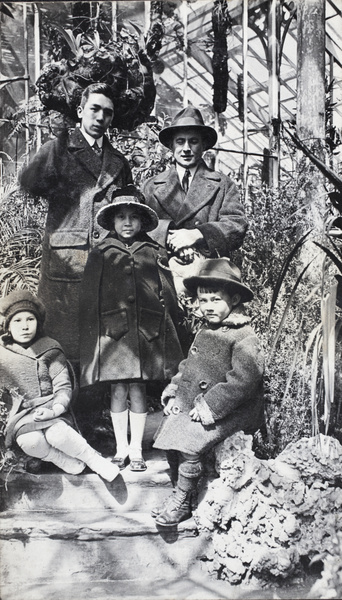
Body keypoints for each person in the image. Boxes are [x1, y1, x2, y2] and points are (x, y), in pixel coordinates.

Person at [18, 83, 133, 364]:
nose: (100, 117)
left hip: (106, 260)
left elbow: (130, 208)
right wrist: (52, 153)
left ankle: (97, 403)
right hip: (66, 261)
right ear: (81, 111)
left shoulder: (118, 161)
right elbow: (29, 185)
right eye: (94, 109)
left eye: (107, 112)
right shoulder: (57, 151)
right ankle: (61, 401)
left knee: (102, 342)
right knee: (62, 341)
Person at [151, 258, 264, 526]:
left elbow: (244, 380)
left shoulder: (243, 336)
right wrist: (175, 391)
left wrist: (210, 407)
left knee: (189, 440)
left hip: (233, 409)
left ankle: (181, 502)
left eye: (215, 300)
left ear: (234, 299)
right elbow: (189, 367)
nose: (208, 307)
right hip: (196, 402)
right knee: (167, 432)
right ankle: (183, 493)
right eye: (203, 301)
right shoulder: (205, 331)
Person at [79, 186, 184, 472]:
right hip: (114, 335)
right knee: (117, 390)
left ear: (142, 221)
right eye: (121, 217)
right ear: (112, 222)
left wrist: (167, 326)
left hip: (146, 331)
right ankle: (120, 448)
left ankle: (137, 450)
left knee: (138, 389)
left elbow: (167, 291)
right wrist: (92, 339)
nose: (127, 223)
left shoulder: (152, 250)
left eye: (134, 217)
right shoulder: (101, 252)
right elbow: (90, 297)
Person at [0, 290, 120, 482]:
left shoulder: (50, 348)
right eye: (17, 321)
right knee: (30, 441)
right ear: (7, 326)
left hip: (51, 409)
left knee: (57, 434)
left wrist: (55, 410)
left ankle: (93, 459)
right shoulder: (2, 354)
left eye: (30, 319)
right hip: (19, 417)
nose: (24, 326)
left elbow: (63, 387)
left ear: (38, 322)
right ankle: (60, 459)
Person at [141, 106, 247, 274]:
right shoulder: (151, 185)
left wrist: (197, 234)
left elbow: (237, 225)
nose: (186, 148)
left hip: (207, 276)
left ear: (204, 145)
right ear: (171, 146)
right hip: (161, 274)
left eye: (194, 141)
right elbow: (139, 225)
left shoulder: (223, 184)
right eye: (180, 141)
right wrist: (170, 235)